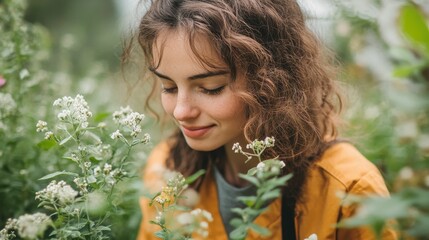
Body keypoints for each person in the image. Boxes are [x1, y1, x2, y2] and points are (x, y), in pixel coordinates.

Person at [129, 0, 397, 239]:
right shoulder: (165, 169)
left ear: (272, 80)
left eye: (211, 87)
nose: (181, 112)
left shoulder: (349, 188)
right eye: (169, 87)